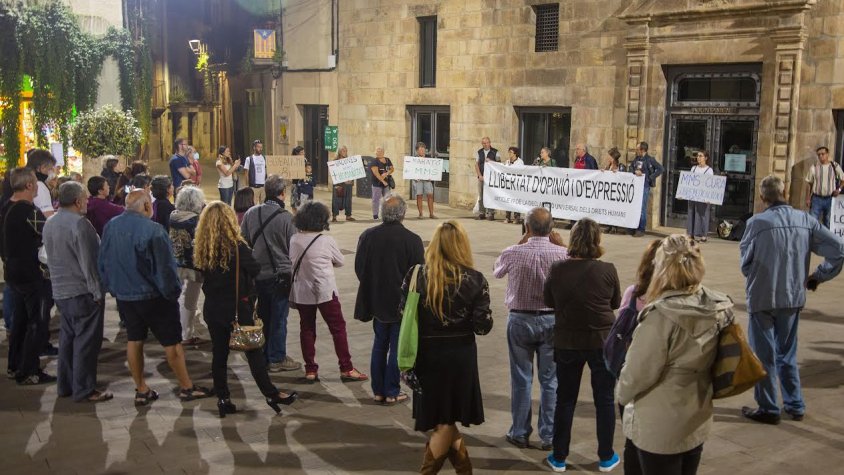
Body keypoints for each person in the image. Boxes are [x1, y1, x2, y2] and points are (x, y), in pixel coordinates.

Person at [617, 235, 732, 475]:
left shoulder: (661, 316)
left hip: (658, 425)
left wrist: (621, 393)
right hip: (695, 417)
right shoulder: (718, 306)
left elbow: (638, 374)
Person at [739, 175, 844, 424]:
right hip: (792, 295)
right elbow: (838, 249)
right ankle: (794, 404)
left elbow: (746, 264)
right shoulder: (805, 220)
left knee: (763, 355)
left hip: (763, 297)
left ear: (763, 197)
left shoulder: (756, 223)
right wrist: (818, 276)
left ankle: (769, 407)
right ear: (784, 192)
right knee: (787, 353)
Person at [98, 191, 211, 405]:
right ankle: (186, 387)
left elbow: (103, 260)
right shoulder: (154, 231)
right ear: (147, 207)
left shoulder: (111, 226)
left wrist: (112, 288)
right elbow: (165, 269)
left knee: (134, 339)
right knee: (172, 343)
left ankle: (141, 388)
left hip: (125, 296)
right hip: (153, 296)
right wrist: (172, 293)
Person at [401, 220, 492, 474]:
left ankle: (460, 470)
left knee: (442, 419)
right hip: (460, 357)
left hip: (427, 356)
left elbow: (403, 312)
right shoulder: (475, 279)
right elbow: (483, 327)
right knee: (446, 421)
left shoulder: (416, 274)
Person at [194, 202, 298, 417]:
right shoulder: (238, 247)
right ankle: (271, 393)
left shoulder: (203, 248)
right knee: (254, 352)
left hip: (213, 309)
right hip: (238, 310)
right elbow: (256, 268)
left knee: (219, 355)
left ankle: (223, 398)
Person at [543, 218, 620, 473]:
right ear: (597, 241)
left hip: (567, 341)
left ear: (573, 240)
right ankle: (606, 456)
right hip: (601, 340)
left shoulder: (557, 269)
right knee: (605, 399)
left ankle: (559, 456)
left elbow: (549, 300)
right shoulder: (608, 269)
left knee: (565, 398)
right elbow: (615, 302)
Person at [493, 207, 567, 452]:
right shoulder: (562, 254)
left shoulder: (513, 252)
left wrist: (519, 242)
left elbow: (497, 271)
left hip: (520, 319)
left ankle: (520, 432)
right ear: (551, 228)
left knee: (521, 378)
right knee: (550, 380)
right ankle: (549, 435)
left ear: (527, 227)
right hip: (551, 320)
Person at [43, 181, 112, 402]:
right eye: (85, 198)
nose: (87, 201)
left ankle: (66, 384)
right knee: (86, 342)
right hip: (81, 292)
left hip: (61, 291)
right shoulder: (80, 225)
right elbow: (89, 262)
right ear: (77, 201)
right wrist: (97, 292)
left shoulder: (50, 222)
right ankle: (84, 388)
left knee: (68, 339)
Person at [354, 196, 425, 404]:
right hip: (400, 302)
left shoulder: (368, 236)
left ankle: (378, 390)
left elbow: (360, 268)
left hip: (376, 299)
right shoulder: (412, 240)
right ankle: (392, 390)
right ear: (402, 213)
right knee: (396, 345)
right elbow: (418, 275)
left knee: (379, 343)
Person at [290, 201, 368, 383]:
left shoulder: (294, 239)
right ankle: (346, 367)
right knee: (338, 328)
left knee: (307, 328)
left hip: (302, 291)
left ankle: (310, 369)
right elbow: (340, 261)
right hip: (325, 291)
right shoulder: (325, 241)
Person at [240, 175, 302, 373]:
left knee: (263, 315)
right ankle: (276, 358)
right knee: (279, 317)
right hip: (280, 275)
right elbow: (293, 247)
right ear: (282, 193)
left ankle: (264, 354)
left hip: (258, 275)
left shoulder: (251, 213)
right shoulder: (286, 218)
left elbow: (244, 240)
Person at [0, 168, 55, 384]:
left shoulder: (6, 207)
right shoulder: (27, 211)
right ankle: (29, 370)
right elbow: (48, 232)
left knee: (20, 321)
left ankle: (15, 365)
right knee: (37, 322)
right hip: (32, 274)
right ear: (30, 185)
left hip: (13, 272)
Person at [169, 186, 206, 346]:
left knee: (180, 296)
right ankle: (186, 334)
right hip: (192, 264)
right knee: (190, 299)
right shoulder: (195, 220)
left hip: (175, 261)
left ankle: (179, 328)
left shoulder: (173, 216)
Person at [630, 142, 665, 237]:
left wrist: (650, 177)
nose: (636, 151)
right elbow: (631, 167)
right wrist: (634, 171)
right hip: (636, 186)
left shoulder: (650, 160)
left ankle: (641, 229)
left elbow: (661, 169)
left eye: (638, 149)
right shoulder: (636, 159)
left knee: (642, 208)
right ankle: (634, 227)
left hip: (644, 186)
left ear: (642, 150)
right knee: (635, 207)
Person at [804, 146, 844, 229]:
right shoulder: (814, 167)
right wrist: (808, 198)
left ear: (827, 154)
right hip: (816, 199)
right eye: (819, 155)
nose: (821, 156)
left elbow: (843, 179)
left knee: (828, 221)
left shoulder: (834, 166)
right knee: (812, 221)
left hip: (830, 198)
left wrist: (839, 189)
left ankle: (826, 240)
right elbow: (809, 183)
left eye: (823, 154)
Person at [687, 150, 714, 242]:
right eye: (698, 156)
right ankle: (691, 233)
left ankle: (703, 235)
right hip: (693, 195)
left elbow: (710, 184)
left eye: (701, 156)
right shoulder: (693, 168)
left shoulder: (709, 170)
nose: (698, 157)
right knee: (691, 213)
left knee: (703, 214)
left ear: (705, 158)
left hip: (703, 196)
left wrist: (709, 197)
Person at [474, 137, 500, 220]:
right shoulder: (479, 152)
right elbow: (476, 165)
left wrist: (491, 161)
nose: (485, 144)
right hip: (482, 177)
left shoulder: (495, 152)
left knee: (491, 195)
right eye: (483, 143)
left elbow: (499, 164)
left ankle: (491, 213)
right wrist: (479, 176)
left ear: (490, 143)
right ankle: (482, 213)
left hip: (491, 178)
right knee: (481, 195)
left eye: (487, 143)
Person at [412, 142, 437, 219]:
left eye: (423, 150)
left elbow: (432, 169)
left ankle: (431, 214)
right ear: (417, 151)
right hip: (418, 180)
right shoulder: (414, 160)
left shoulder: (429, 159)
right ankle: (420, 214)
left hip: (427, 180)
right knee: (419, 196)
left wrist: (431, 176)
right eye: (421, 150)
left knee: (430, 195)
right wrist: (415, 178)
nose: (422, 151)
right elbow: (411, 170)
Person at [331, 145, 356, 222]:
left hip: (348, 184)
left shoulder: (349, 161)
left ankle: (348, 216)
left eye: (345, 150)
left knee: (348, 199)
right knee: (336, 200)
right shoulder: (335, 161)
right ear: (339, 151)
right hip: (338, 184)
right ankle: (334, 216)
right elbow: (333, 173)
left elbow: (352, 171)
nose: (344, 152)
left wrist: (351, 181)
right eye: (343, 150)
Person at [369, 147, 394, 220]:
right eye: (377, 151)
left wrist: (387, 173)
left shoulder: (387, 160)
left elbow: (392, 169)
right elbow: (376, 174)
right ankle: (375, 215)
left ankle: (387, 214)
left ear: (383, 152)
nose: (378, 153)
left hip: (386, 183)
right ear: (375, 153)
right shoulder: (374, 161)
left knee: (388, 199)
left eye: (380, 151)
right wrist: (383, 181)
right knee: (376, 200)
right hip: (377, 183)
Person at [504, 147, 524, 224]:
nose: (509, 154)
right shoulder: (507, 161)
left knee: (516, 201)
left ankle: (516, 217)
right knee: (507, 200)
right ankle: (507, 217)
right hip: (508, 184)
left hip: (516, 185)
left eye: (511, 152)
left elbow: (521, 172)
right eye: (508, 152)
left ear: (515, 153)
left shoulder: (520, 162)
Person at [244, 139, 267, 204]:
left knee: (263, 206)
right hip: (254, 187)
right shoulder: (249, 159)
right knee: (252, 205)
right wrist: (247, 186)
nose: (260, 149)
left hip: (263, 187)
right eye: (258, 147)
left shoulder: (264, 158)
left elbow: (266, 170)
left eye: (261, 147)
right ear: (254, 147)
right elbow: (246, 173)